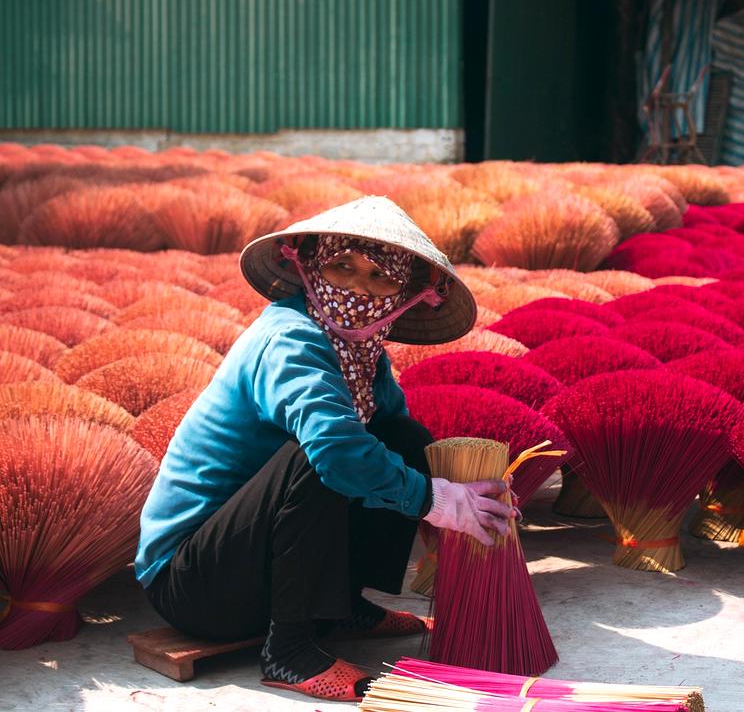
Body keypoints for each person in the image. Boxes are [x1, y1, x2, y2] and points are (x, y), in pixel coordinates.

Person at [135, 196, 515, 702]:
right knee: (322, 455)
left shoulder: (360, 352)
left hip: (251, 566)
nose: (357, 288)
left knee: (404, 442)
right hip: (194, 584)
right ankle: (289, 653)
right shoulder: (291, 338)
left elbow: (393, 435)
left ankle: (344, 605)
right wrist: (434, 501)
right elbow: (336, 452)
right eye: (341, 267)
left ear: (406, 296)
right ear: (307, 264)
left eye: (380, 278)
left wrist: (452, 497)